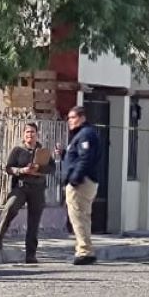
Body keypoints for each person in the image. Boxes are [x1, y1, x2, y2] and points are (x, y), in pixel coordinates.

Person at [0, 121, 54, 263]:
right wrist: (22, 170)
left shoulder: (43, 151)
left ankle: (31, 254)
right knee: (9, 208)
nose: (30, 135)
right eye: (27, 132)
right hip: (21, 187)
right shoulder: (18, 150)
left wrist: (38, 169)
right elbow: (9, 168)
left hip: (38, 189)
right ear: (23, 135)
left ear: (37, 134)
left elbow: (51, 168)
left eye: (32, 132)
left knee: (34, 222)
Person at [59, 103, 104, 266]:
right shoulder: (81, 135)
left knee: (78, 217)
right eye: (69, 118)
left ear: (82, 118)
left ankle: (84, 251)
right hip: (83, 181)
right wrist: (65, 154)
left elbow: (85, 158)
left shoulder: (85, 134)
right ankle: (85, 249)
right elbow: (77, 157)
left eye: (73, 117)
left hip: (81, 183)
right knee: (82, 216)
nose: (70, 121)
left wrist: (75, 178)